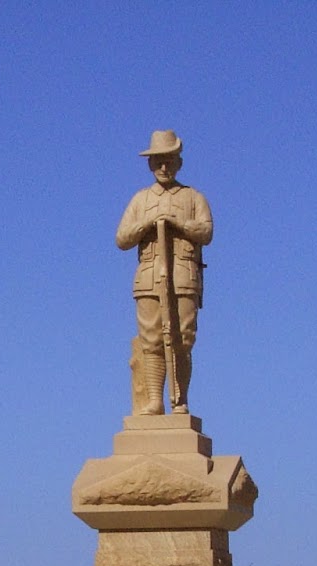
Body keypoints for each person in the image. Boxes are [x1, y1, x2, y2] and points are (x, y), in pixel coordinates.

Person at [115, 129, 213, 415]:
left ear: (179, 162)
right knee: (151, 339)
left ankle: (180, 400)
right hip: (148, 276)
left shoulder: (193, 197)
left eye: (169, 160)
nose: (163, 167)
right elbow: (122, 238)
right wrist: (146, 224)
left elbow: (206, 232)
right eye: (158, 161)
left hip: (183, 276)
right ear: (150, 164)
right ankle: (154, 400)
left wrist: (179, 222)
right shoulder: (140, 200)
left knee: (182, 339)